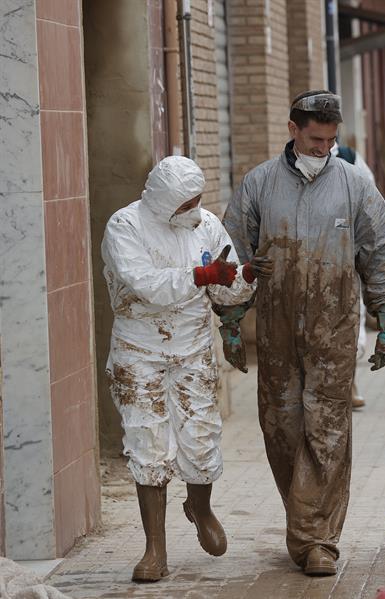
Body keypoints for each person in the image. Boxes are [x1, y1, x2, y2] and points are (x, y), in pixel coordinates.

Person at [223, 90, 385, 576]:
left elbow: (381, 253)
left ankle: (318, 539)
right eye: (315, 139)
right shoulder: (258, 184)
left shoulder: (355, 185)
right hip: (276, 331)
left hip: (333, 326)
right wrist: (231, 321)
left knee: (327, 430)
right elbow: (234, 255)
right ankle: (303, 520)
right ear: (293, 130)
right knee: (281, 429)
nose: (324, 148)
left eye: (330, 140)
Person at [101, 156, 261, 582]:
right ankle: (155, 548)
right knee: (148, 441)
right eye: (185, 203)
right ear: (161, 200)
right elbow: (146, 285)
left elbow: (225, 290)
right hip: (139, 349)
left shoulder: (206, 224)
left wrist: (243, 277)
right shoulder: (125, 226)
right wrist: (202, 275)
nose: (195, 208)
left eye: (197, 199)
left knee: (201, 435)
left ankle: (200, 508)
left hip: (193, 347)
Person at [331, 140, 376, 409]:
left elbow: (371, 203)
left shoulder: (349, 158)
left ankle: (349, 383)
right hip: (306, 261)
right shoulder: (288, 166)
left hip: (347, 258)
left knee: (350, 326)